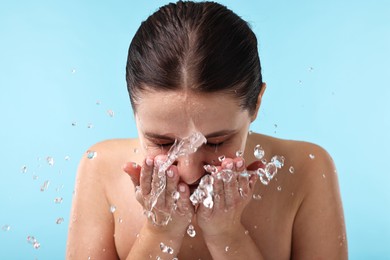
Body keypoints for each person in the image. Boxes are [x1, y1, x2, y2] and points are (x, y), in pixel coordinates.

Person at [66, 1, 348, 259]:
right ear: (134, 113)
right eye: (163, 143)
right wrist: (159, 232)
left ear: (256, 105)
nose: (188, 172)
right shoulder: (99, 168)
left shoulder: (306, 170)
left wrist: (227, 234)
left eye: (216, 142)